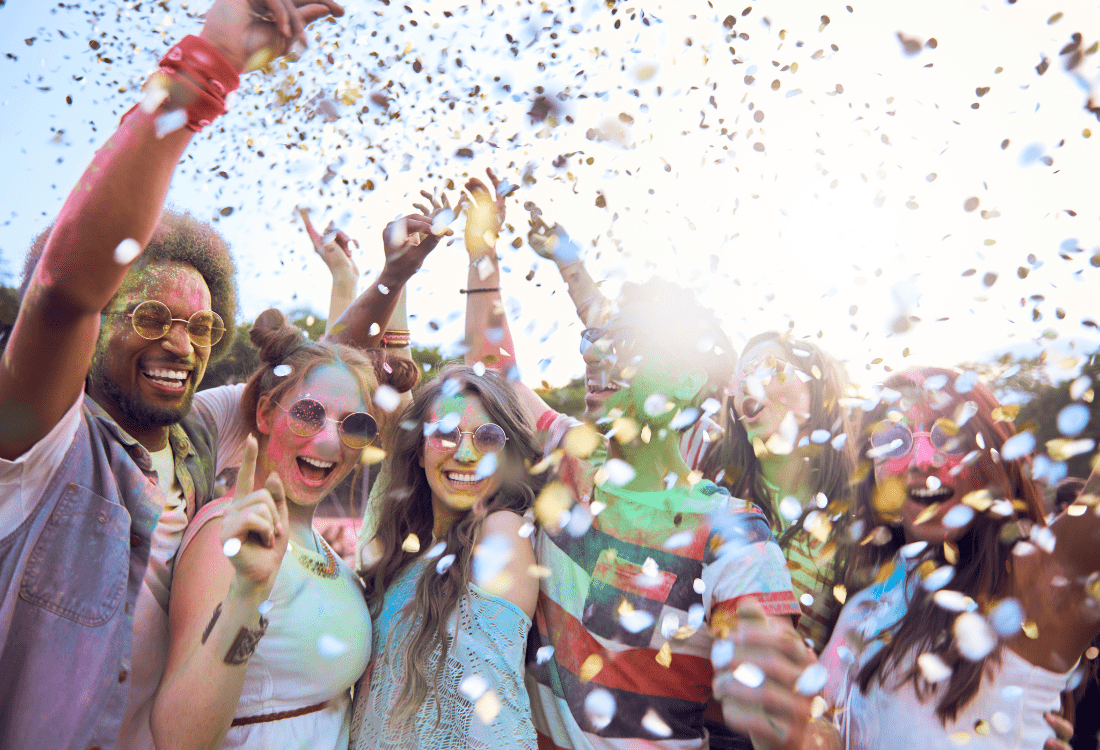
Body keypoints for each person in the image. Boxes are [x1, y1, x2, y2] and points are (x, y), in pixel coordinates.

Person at [459, 177, 804, 749]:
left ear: (688, 379)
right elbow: (493, 373)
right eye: (595, 340)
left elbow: (777, 729)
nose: (595, 353)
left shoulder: (732, 537)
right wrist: (482, 256)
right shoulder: (568, 459)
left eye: (627, 343)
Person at [714, 367, 1100, 750]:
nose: (922, 460)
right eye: (893, 440)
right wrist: (790, 725)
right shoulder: (864, 604)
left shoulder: (1035, 580)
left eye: (949, 437)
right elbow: (829, 736)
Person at [151, 309, 417, 749]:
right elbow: (178, 739)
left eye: (355, 425)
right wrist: (248, 592)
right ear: (263, 414)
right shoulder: (231, 535)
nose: (330, 442)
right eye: (308, 413)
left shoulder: (325, 553)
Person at [350, 364, 545, 749]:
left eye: (488, 437)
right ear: (419, 452)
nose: (467, 453)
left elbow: (495, 719)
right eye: (445, 433)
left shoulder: (500, 530)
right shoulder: (406, 553)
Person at [700, 332, 857, 652]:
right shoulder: (708, 468)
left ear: (818, 388)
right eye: (739, 376)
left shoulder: (857, 518)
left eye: (766, 368)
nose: (746, 384)